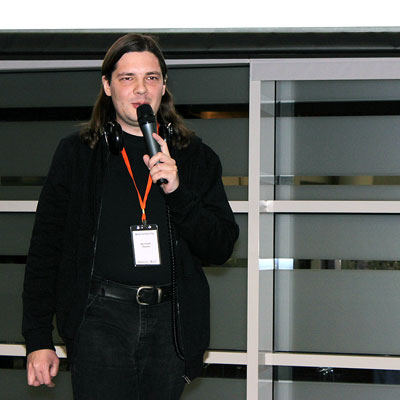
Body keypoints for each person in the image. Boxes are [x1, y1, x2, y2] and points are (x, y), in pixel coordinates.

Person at [22, 33, 239, 399]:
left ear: (164, 86)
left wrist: (177, 192)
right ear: (107, 86)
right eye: (128, 78)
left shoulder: (194, 156)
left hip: (170, 323)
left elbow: (220, 247)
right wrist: (38, 338)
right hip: (99, 318)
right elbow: (46, 248)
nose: (141, 89)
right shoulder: (78, 154)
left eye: (151, 77)